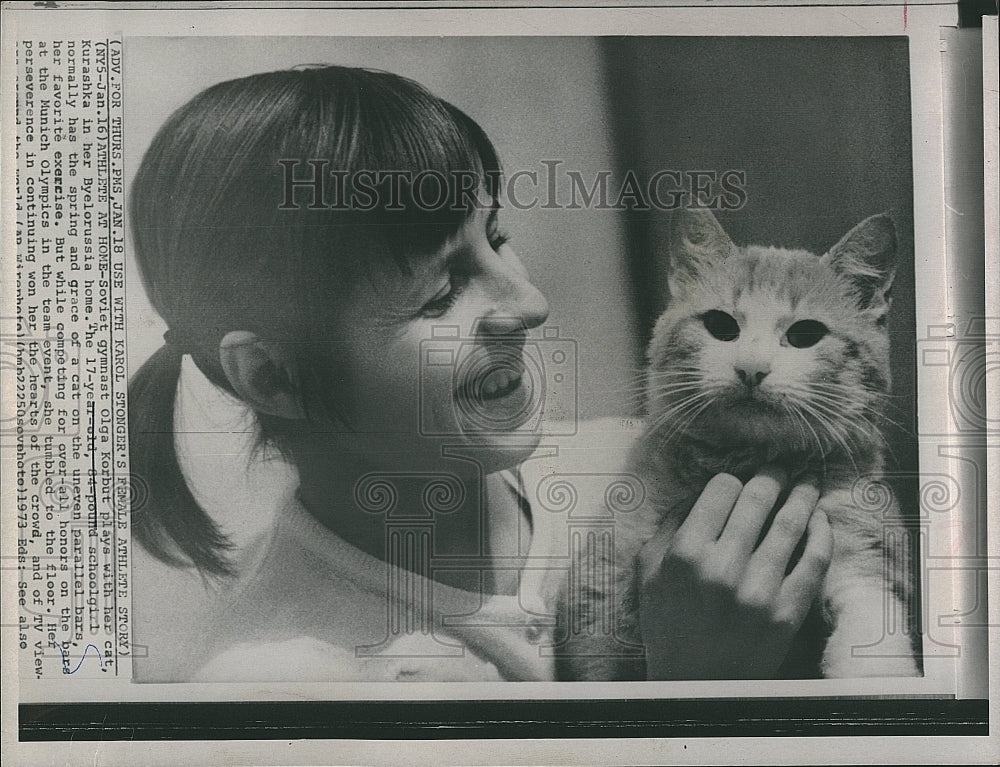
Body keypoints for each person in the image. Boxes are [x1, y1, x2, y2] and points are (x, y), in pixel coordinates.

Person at [128, 65, 832, 682]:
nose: (529, 303)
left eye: (498, 238)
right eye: (440, 292)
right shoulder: (281, 678)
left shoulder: (652, 469)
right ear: (273, 378)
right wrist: (689, 689)